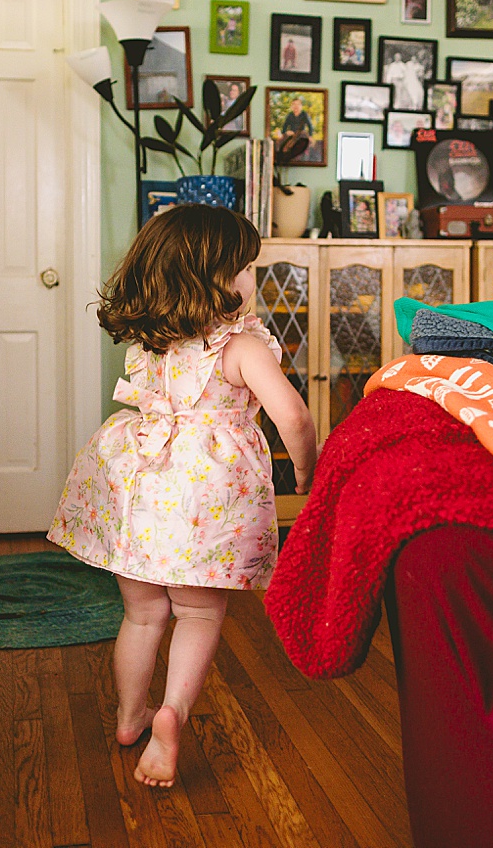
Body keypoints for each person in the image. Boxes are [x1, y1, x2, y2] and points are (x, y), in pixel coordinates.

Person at [48, 204, 318, 788]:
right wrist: (308, 475)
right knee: (197, 610)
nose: (252, 279)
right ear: (213, 279)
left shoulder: (151, 341)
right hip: (202, 499)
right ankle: (170, 713)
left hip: (140, 488)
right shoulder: (241, 346)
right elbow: (293, 417)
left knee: (142, 614)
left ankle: (129, 717)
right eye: (245, 268)